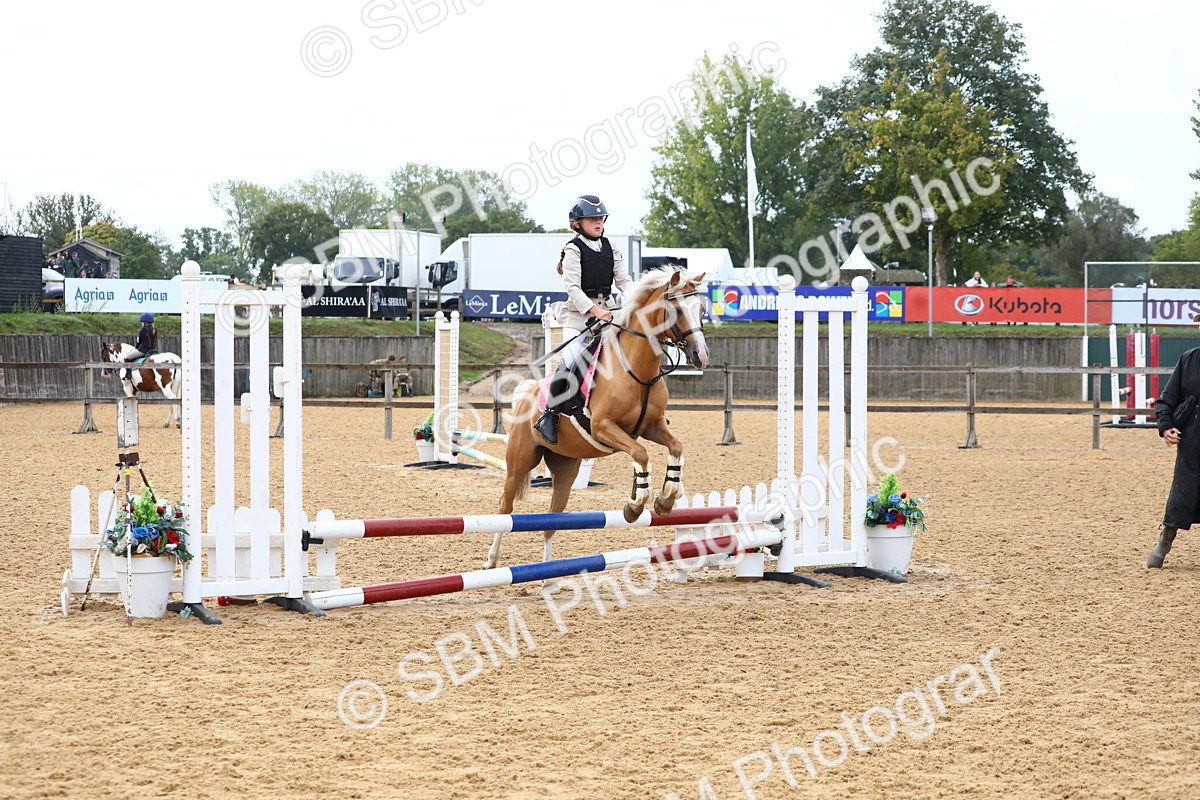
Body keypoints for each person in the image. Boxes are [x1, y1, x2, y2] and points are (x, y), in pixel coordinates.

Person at [533, 194, 634, 445]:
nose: (598, 223)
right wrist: (595, 311)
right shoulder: (572, 250)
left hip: (609, 311)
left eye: (600, 218)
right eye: (592, 219)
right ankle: (550, 414)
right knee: (570, 359)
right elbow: (573, 289)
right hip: (579, 315)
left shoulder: (612, 247)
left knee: (630, 352)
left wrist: (636, 303)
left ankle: (641, 410)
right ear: (578, 223)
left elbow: (624, 281)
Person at [1148, 319, 1200, 567]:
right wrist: (1166, 427)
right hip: (1191, 444)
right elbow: (1166, 400)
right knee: (1181, 496)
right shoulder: (1188, 359)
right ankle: (1164, 543)